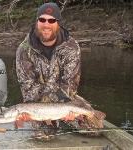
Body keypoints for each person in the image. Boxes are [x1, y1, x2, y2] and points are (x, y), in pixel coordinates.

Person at [16, 2, 101, 140]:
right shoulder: (24, 50)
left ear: (59, 23)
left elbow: (70, 83)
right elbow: (28, 87)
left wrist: (67, 105)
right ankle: (53, 123)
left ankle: (65, 120)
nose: (46, 24)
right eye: (42, 20)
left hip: (65, 99)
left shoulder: (71, 47)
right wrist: (29, 110)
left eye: (51, 20)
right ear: (37, 22)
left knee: (94, 129)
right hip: (39, 103)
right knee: (43, 137)